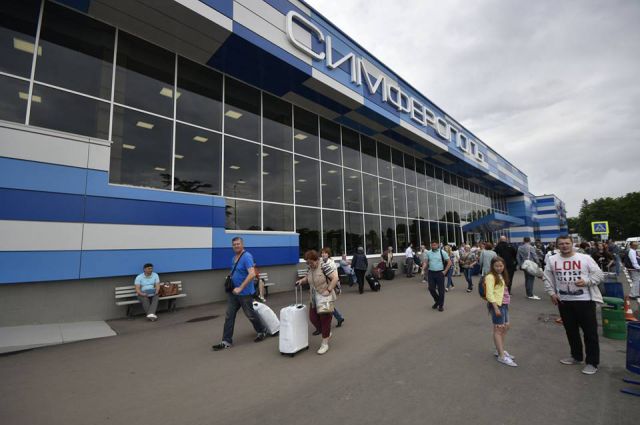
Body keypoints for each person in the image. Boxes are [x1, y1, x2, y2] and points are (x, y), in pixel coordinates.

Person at [543, 235, 604, 375]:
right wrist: (552, 293)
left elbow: (599, 275)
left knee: (590, 333)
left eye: (567, 243)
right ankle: (576, 356)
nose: (564, 246)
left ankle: (592, 362)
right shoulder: (552, 260)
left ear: (572, 244)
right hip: (564, 301)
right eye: (561, 244)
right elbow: (547, 278)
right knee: (571, 331)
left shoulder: (585, 258)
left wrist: (587, 281)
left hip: (585, 300)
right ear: (557, 246)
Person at [212, 237, 267, 351]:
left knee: (250, 314)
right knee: (229, 316)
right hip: (233, 293)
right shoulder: (234, 258)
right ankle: (226, 341)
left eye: (238, 244)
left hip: (245, 293)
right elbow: (235, 271)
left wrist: (240, 287)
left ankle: (262, 331)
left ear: (242, 244)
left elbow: (252, 274)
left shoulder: (247, 256)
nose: (236, 246)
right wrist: (231, 281)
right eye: (234, 244)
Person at [295, 250, 339, 355]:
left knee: (325, 319)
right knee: (313, 318)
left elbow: (335, 278)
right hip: (314, 297)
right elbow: (308, 277)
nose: (310, 265)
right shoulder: (310, 268)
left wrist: (328, 290)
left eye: (311, 262)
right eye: (308, 263)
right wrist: (302, 281)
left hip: (325, 297)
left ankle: (325, 344)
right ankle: (326, 332)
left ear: (317, 259)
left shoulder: (324, 266)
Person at [485, 256, 516, 367]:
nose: (499, 268)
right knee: (498, 329)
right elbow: (489, 294)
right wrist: (496, 308)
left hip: (504, 305)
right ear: (492, 266)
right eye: (496, 266)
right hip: (498, 305)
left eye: (501, 266)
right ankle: (501, 355)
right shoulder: (490, 276)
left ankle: (500, 350)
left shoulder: (501, 275)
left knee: (505, 327)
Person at [423, 241, 451, 312]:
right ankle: (438, 301)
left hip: (440, 273)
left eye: (435, 245)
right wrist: (423, 269)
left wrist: (445, 271)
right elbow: (426, 262)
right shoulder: (428, 253)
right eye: (432, 245)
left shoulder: (442, 252)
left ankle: (440, 305)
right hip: (431, 273)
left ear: (438, 245)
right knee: (431, 288)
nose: (433, 246)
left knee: (441, 290)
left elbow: (449, 262)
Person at [321, 247, 345, 328]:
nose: (323, 254)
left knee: (327, 304)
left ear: (328, 254)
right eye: (322, 253)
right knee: (328, 304)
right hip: (326, 286)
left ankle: (327, 323)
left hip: (329, 286)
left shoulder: (330, 263)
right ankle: (339, 318)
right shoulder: (323, 262)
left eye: (325, 253)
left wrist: (336, 286)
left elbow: (335, 277)